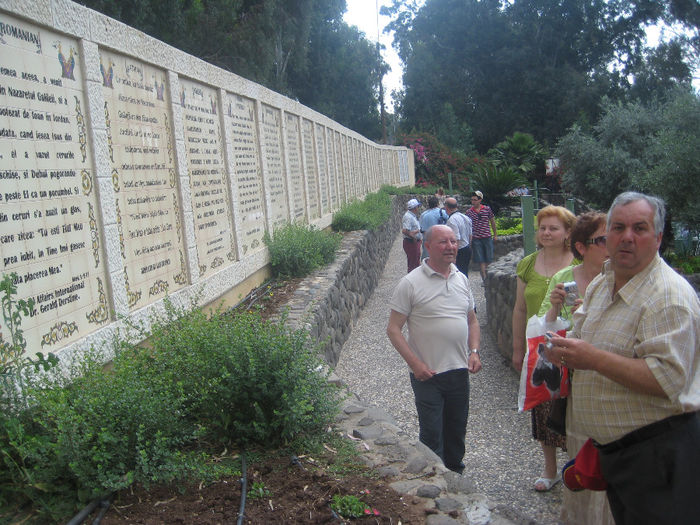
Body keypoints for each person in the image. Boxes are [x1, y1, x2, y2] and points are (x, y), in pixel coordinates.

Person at [547, 192, 699, 524]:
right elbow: (584, 336)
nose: (626, 237)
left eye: (639, 228)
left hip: (658, 456)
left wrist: (593, 359)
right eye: (617, 228)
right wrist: (563, 349)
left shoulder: (668, 296)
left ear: (658, 238)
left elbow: (667, 379)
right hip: (618, 453)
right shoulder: (603, 282)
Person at [538, 211, 615, 525]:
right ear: (583, 247)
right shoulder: (566, 277)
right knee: (577, 443)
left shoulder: (619, 277)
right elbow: (544, 324)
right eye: (604, 239)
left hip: (606, 376)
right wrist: (557, 305)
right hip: (570, 371)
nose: (613, 244)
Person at [387, 225, 482, 473]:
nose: (451, 246)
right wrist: (416, 364)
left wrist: (474, 352)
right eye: (443, 242)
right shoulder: (410, 283)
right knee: (431, 434)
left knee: (457, 430)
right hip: (427, 374)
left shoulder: (461, 278)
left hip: (459, 371)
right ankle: (434, 481)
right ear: (427, 246)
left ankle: (456, 477)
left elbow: (472, 320)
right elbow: (393, 329)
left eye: (453, 241)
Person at [512, 205, 576, 492]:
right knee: (543, 406)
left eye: (553, 228)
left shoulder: (580, 263)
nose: (546, 232)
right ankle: (550, 469)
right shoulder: (527, 264)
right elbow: (519, 308)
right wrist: (517, 348)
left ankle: (578, 466)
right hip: (538, 348)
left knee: (575, 408)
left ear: (567, 233)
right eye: (542, 227)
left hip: (573, 345)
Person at [465, 191, 498, 284]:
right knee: (480, 260)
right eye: (472, 200)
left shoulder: (487, 209)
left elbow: (492, 221)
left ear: (480, 200)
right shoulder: (469, 212)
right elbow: (468, 226)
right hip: (476, 238)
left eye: (475, 200)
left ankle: (488, 277)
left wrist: (495, 234)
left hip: (487, 236)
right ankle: (484, 279)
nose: (473, 202)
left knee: (489, 258)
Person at [444, 197, 473, 276]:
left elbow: (456, 239)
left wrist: (454, 256)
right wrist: (469, 247)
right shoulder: (465, 217)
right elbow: (470, 235)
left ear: (446, 207)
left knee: (458, 275)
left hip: (460, 250)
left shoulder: (452, 220)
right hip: (467, 248)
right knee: (465, 273)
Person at [402, 198, 422, 273]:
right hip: (411, 243)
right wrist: (414, 237)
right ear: (415, 208)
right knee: (413, 265)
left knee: (415, 262)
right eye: (417, 207)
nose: (418, 208)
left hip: (413, 242)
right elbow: (405, 230)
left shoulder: (411, 215)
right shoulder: (408, 217)